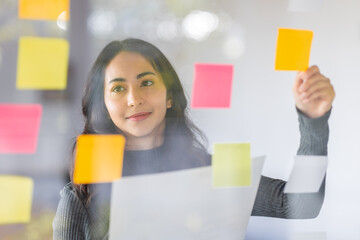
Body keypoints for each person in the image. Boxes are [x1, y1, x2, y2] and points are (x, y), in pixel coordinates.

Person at [53, 38, 335, 239]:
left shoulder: (213, 171)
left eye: (147, 82)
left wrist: (313, 121)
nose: (134, 99)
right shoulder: (81, 195)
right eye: (117, 89)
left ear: (170, 98)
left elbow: (301, 205)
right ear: (104, 106)